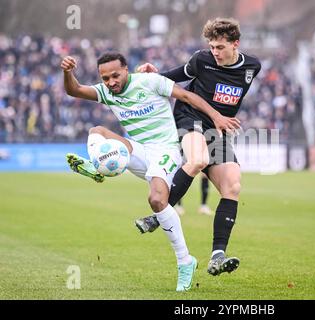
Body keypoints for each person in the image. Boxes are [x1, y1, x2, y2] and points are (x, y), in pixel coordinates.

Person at [60, 52, 239, 291]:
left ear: (126, 70)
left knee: (157, 199)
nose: (111, 82)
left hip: (167, 150)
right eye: (105, 78)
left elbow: (187, 95)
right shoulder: (106, 92)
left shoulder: (150, 81)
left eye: (115, 75)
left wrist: (216, 116)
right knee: (97, 130)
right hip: (141, 150)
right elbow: (75, 90)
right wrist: (67, 71)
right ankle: (98, 167)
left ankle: (185, 261)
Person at [134, 17, 261, 276]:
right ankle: (160, 213)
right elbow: (175, 77)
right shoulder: (201, 60)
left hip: (218, 129)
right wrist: (152, 75)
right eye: (212, 46)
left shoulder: (252, 67)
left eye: (220, 47)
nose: (215, 52)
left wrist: (219, 119)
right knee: (198, 159)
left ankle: (217, 255)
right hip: (189, 118)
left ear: (235, 44)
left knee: (233, 185)